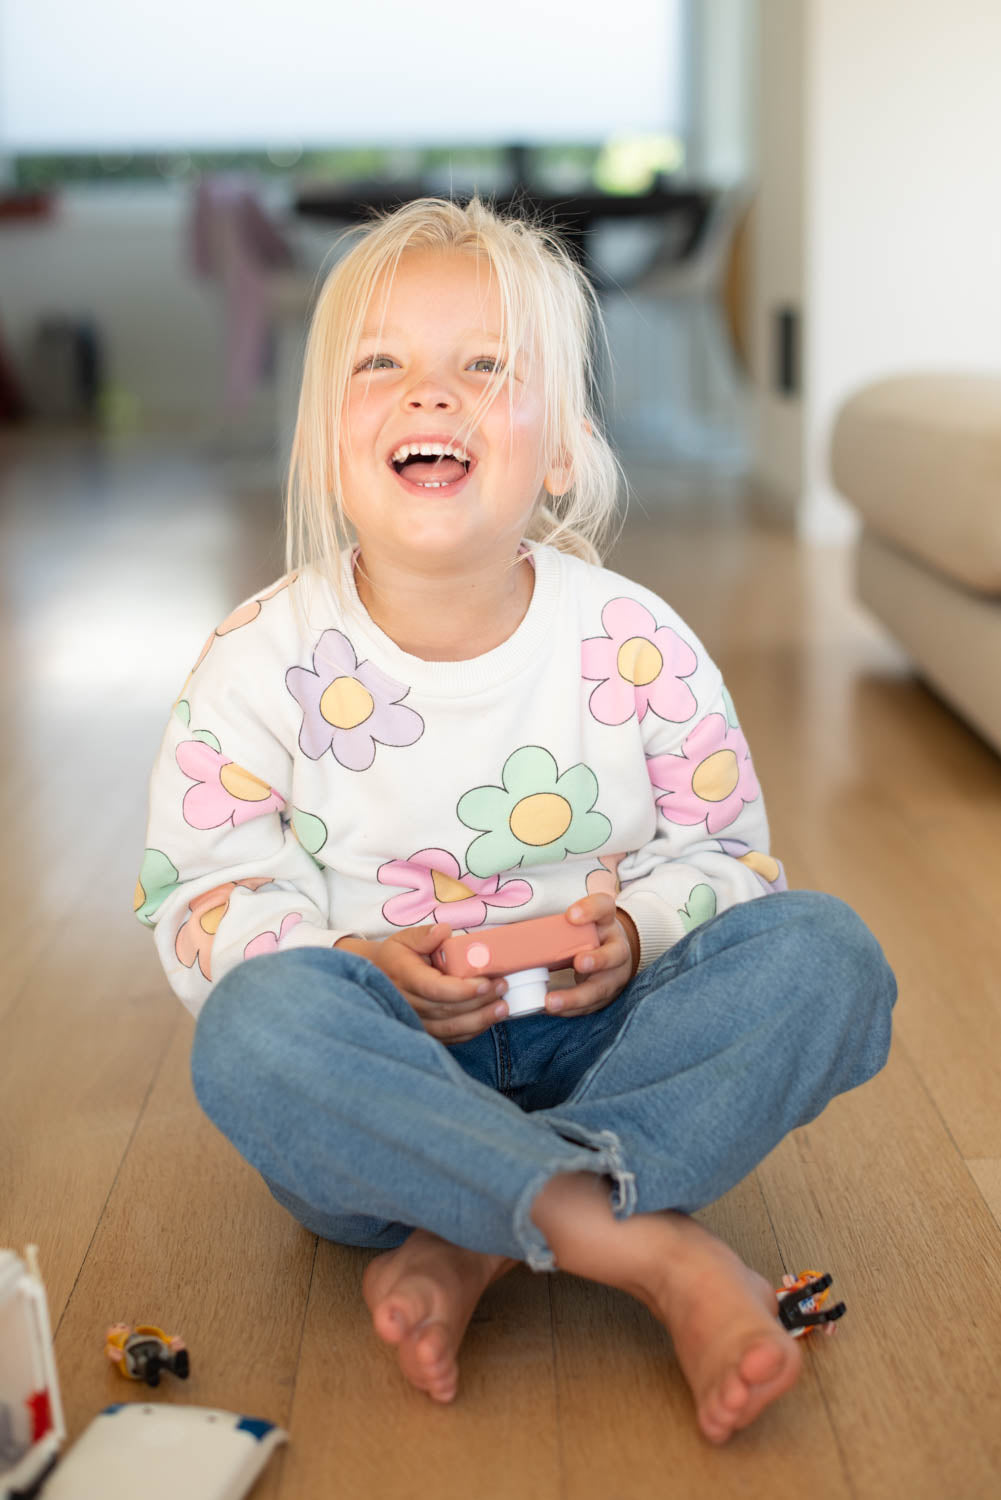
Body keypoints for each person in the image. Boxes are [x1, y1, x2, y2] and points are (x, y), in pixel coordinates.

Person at [135, 195, 896, 1445]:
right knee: (256, 1029)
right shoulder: (256, 660)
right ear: (329, 440)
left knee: (827, 956)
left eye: (484, 367)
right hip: (393, 1072)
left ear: (558, 449)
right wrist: (345, 965)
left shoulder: (633, 641)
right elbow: (202, 895)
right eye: (381, 364)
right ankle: (649, 1250)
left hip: (605, 1051)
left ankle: (474, 1235)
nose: (429, 394)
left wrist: (641, 935)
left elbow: (730, 856)